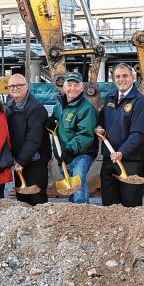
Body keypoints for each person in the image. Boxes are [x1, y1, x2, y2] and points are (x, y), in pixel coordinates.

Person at [96, 63, 144, 207]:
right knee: (109, 205)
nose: (121, 79)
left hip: (130, 162)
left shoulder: (140, 102)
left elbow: (138, 134)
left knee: (130, 207)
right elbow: (102, 120)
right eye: (118, 77)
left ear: (133, 77)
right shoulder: (110, 98)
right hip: (109, 160)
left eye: (125, 76)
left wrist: (122, 152)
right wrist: (100, 127)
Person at [51, 71, 98, 203]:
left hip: (82, 152)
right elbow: (56, 130)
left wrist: (69, 149)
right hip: (64, 154)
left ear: (82, 87)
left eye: (76, 85)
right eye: (69, 84)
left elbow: (85, 134)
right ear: (63, 86)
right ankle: (73, 212)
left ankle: (82, 212)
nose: (72, 88)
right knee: (71, 182)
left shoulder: (87, 108)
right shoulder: (58, 107)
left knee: (78, 179)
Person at [6, 74, 51, 205]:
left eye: (19, 85)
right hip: (19, 162)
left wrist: (21, 160)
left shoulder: (36, 108)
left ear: (27, 86)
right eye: (12, 86)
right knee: (22, 200)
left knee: (37, 199)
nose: (15, 88)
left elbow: (34, 138)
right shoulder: (10, 106)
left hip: (34, 162)